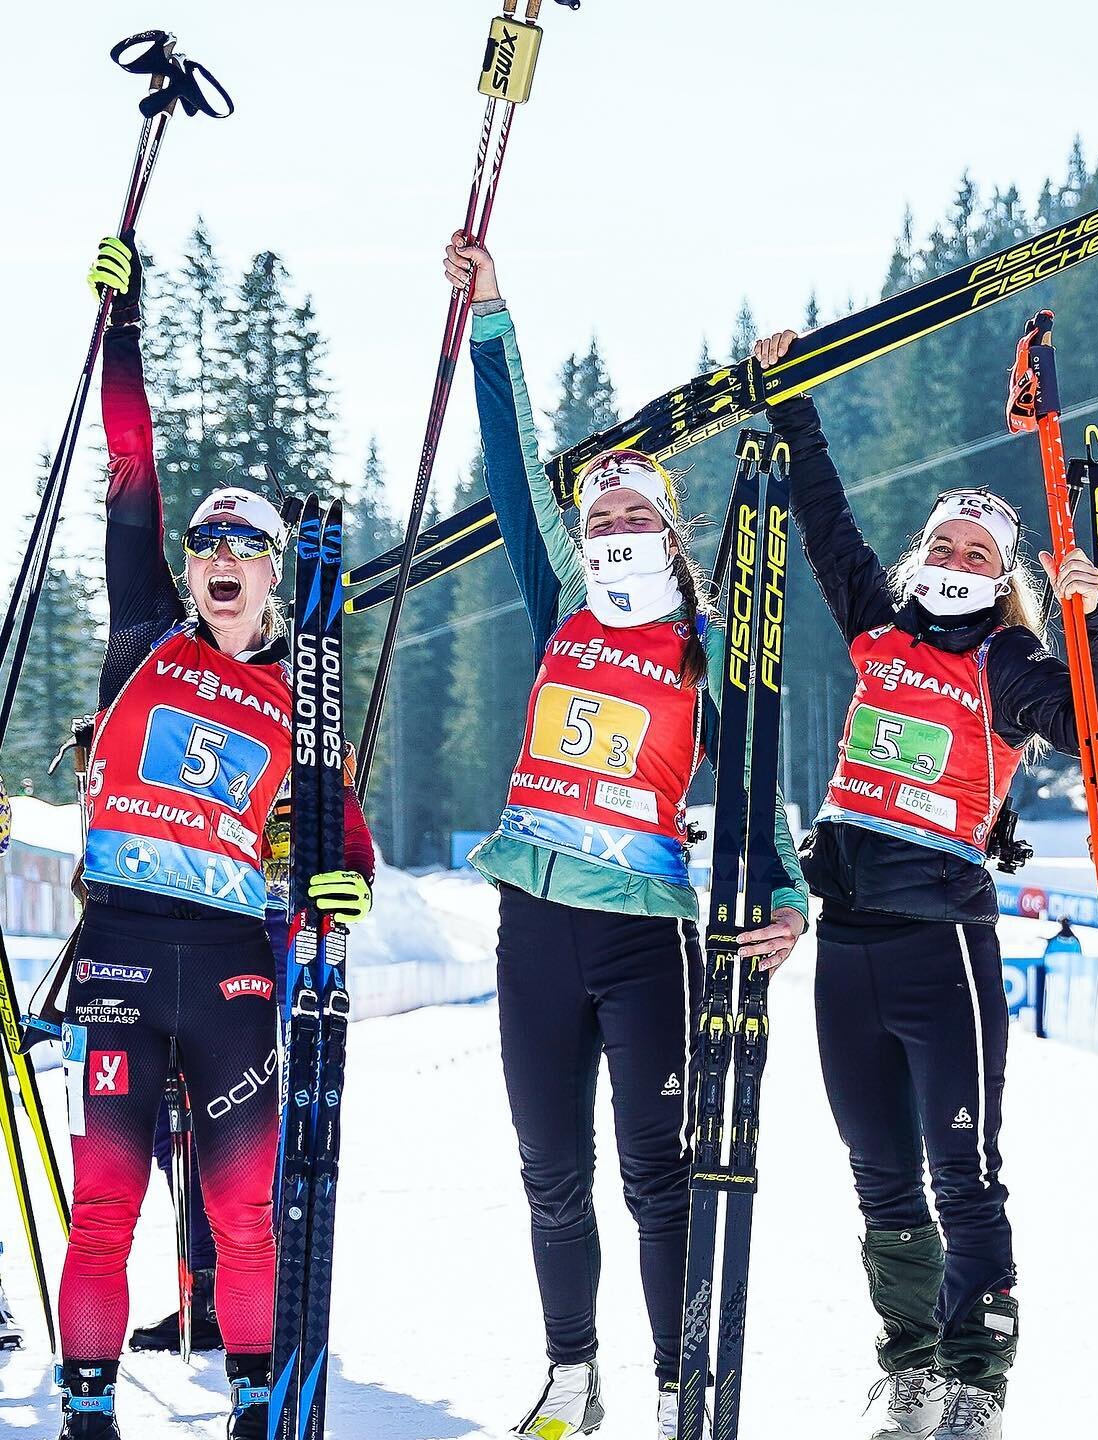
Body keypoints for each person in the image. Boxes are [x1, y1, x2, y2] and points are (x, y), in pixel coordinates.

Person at [444, 233, 809, 1440]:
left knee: (659, 1179)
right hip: (534, 926)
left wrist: (787, 887)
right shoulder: (562, 603)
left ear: (665, 527)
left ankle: (673, 1384)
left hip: (647, 937)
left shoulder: (706, 649)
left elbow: (755, 785)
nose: (604, 515)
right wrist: (492, 317)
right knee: (552, 1175)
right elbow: (510, 468)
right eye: (592, 502)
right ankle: (568, 1375)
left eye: (625, 503)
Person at [753, 328, 1098, 1440]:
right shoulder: (878, 630)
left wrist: (1085, 618)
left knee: (962, 1171)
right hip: (847, 941)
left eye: (979, 552)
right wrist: (794, 405)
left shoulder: (1007, 664)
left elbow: (1094, 725)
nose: (958, 560)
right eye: (945, 544)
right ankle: (909, 1364)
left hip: (941, 943)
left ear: (998, 575)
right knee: (878, 1177)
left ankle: (976, 1381)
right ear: (922, 558)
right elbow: (825, 526)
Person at [60, 235, 376, 1440]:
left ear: (275, 572)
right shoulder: (145, 632)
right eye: (207, 545)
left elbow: (337, 828)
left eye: (245, 547)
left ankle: (255, 1405)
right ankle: (89, 1411)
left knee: (246, 1216)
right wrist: (123, 325)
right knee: (106, 1208)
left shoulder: (302, 685)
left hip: (239, 960)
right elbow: (130, 464)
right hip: (126, 950)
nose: (219, 561)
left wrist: (338, 884)